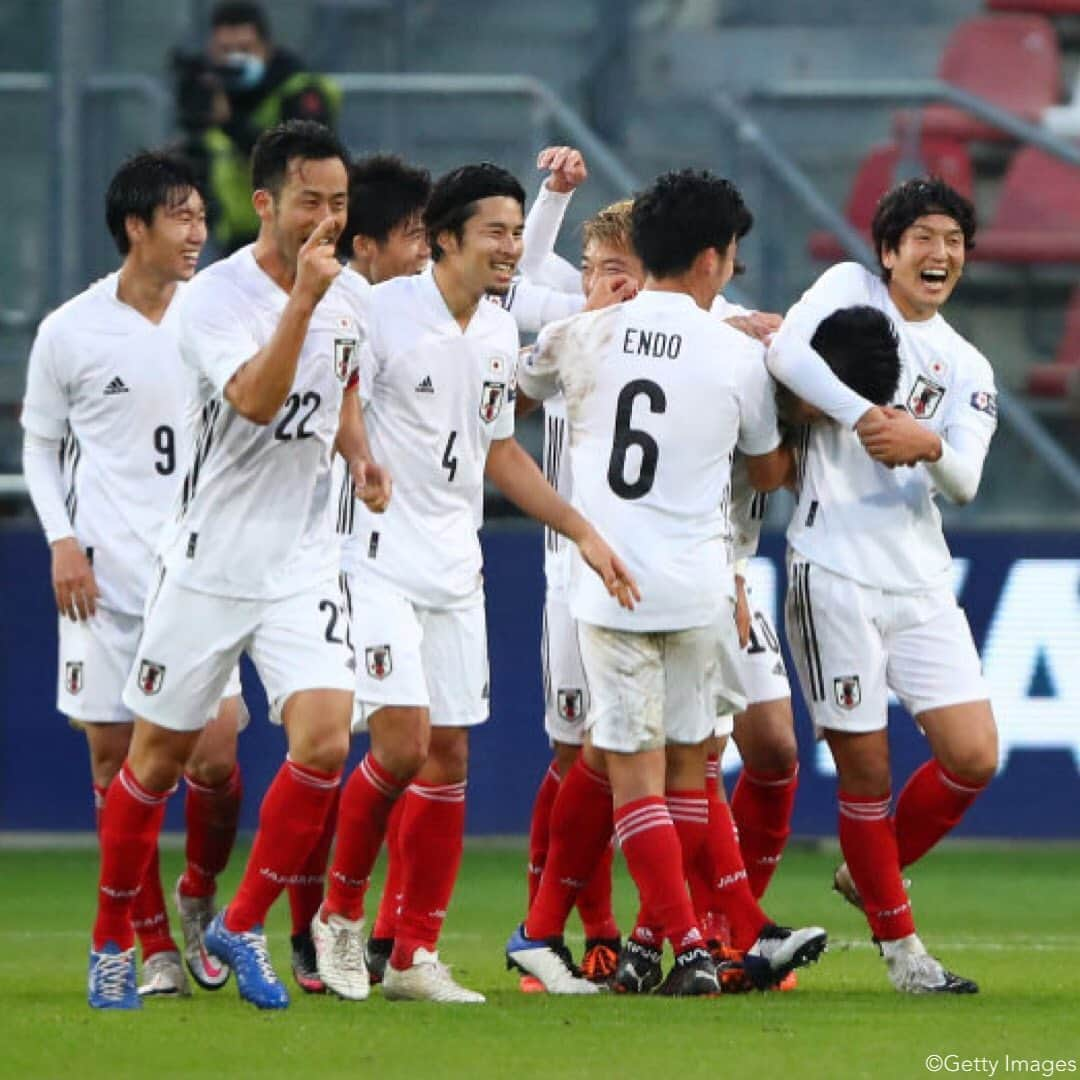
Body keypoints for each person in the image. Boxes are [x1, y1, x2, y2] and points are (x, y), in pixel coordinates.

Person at [311, 162, 637, 1005]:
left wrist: (581, 529)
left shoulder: (497, 333)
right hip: (375, 556)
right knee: (402, 742)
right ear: (445, 236)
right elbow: (344, 401)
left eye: (518, 231)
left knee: (450, 752)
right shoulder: (380, 309)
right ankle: (340, 919)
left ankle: (414, 952)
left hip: (458, 563)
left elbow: (499, 452)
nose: (511, 246)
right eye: (495, 230)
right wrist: (360, 456)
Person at [85, 120, 390, 1012]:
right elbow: (255, 402)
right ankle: (112, 941)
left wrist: (360, 454)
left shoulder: (353, 297)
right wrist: (301, 298)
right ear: (265, 203)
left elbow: (342, 385)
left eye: (339, 203)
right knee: (155, 760)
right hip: (210, 561)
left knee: (327, 740)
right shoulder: (214, 301)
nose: (328, 219)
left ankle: (242, 921)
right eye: (311, 202)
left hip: (302, 559)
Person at [507, 169, 822, 997]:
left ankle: (678, 943)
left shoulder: (587, 333)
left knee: (631, 776)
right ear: (716, 260)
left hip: (609, 583)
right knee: (692, 773)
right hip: (700, 584)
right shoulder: (737, 351)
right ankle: (693, 941)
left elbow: (514, 390)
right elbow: (764, 466)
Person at [21, 151, 246, 1003]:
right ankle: (148, 944)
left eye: (200, 217)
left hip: (198, 571)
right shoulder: (71, 330)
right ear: (135, 228)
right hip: (103, 577)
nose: (197, 233)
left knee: (216, 753)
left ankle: (196, 894)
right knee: (118, 764)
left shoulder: (215, 318)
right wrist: (61, 539)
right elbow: (41, 446)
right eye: (180, 218)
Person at [767, 177, 998, 995]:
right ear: (890, 250)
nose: (940, 255)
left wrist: (927, 442)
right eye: (925, 238)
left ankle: (872, 875)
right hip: (832, 569)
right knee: (865, 771)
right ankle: (906, 957)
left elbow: (967, 479)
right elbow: (784, 352)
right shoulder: (847, 290)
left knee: (973, 756)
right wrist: (867, 414)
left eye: (954, 242)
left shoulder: (968, 364)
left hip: (921, 578)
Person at [283, 152, 434, 996]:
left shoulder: (401, 313)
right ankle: (316, 924)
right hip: (338, 560)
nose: (425, 255)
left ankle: (341, 930)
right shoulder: (348, 312)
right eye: (416, 238)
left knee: (352, 753)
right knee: (336, 751)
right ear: (371, 245)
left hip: (386, 558)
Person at [175, 2, 340, 253]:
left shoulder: (299, 92)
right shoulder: (213, 93)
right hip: (231, 238)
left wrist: (230, 122)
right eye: (225, 50)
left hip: (296, 238)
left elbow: (298, 162)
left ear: (266, 48)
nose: (235, 58)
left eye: (244, 48)